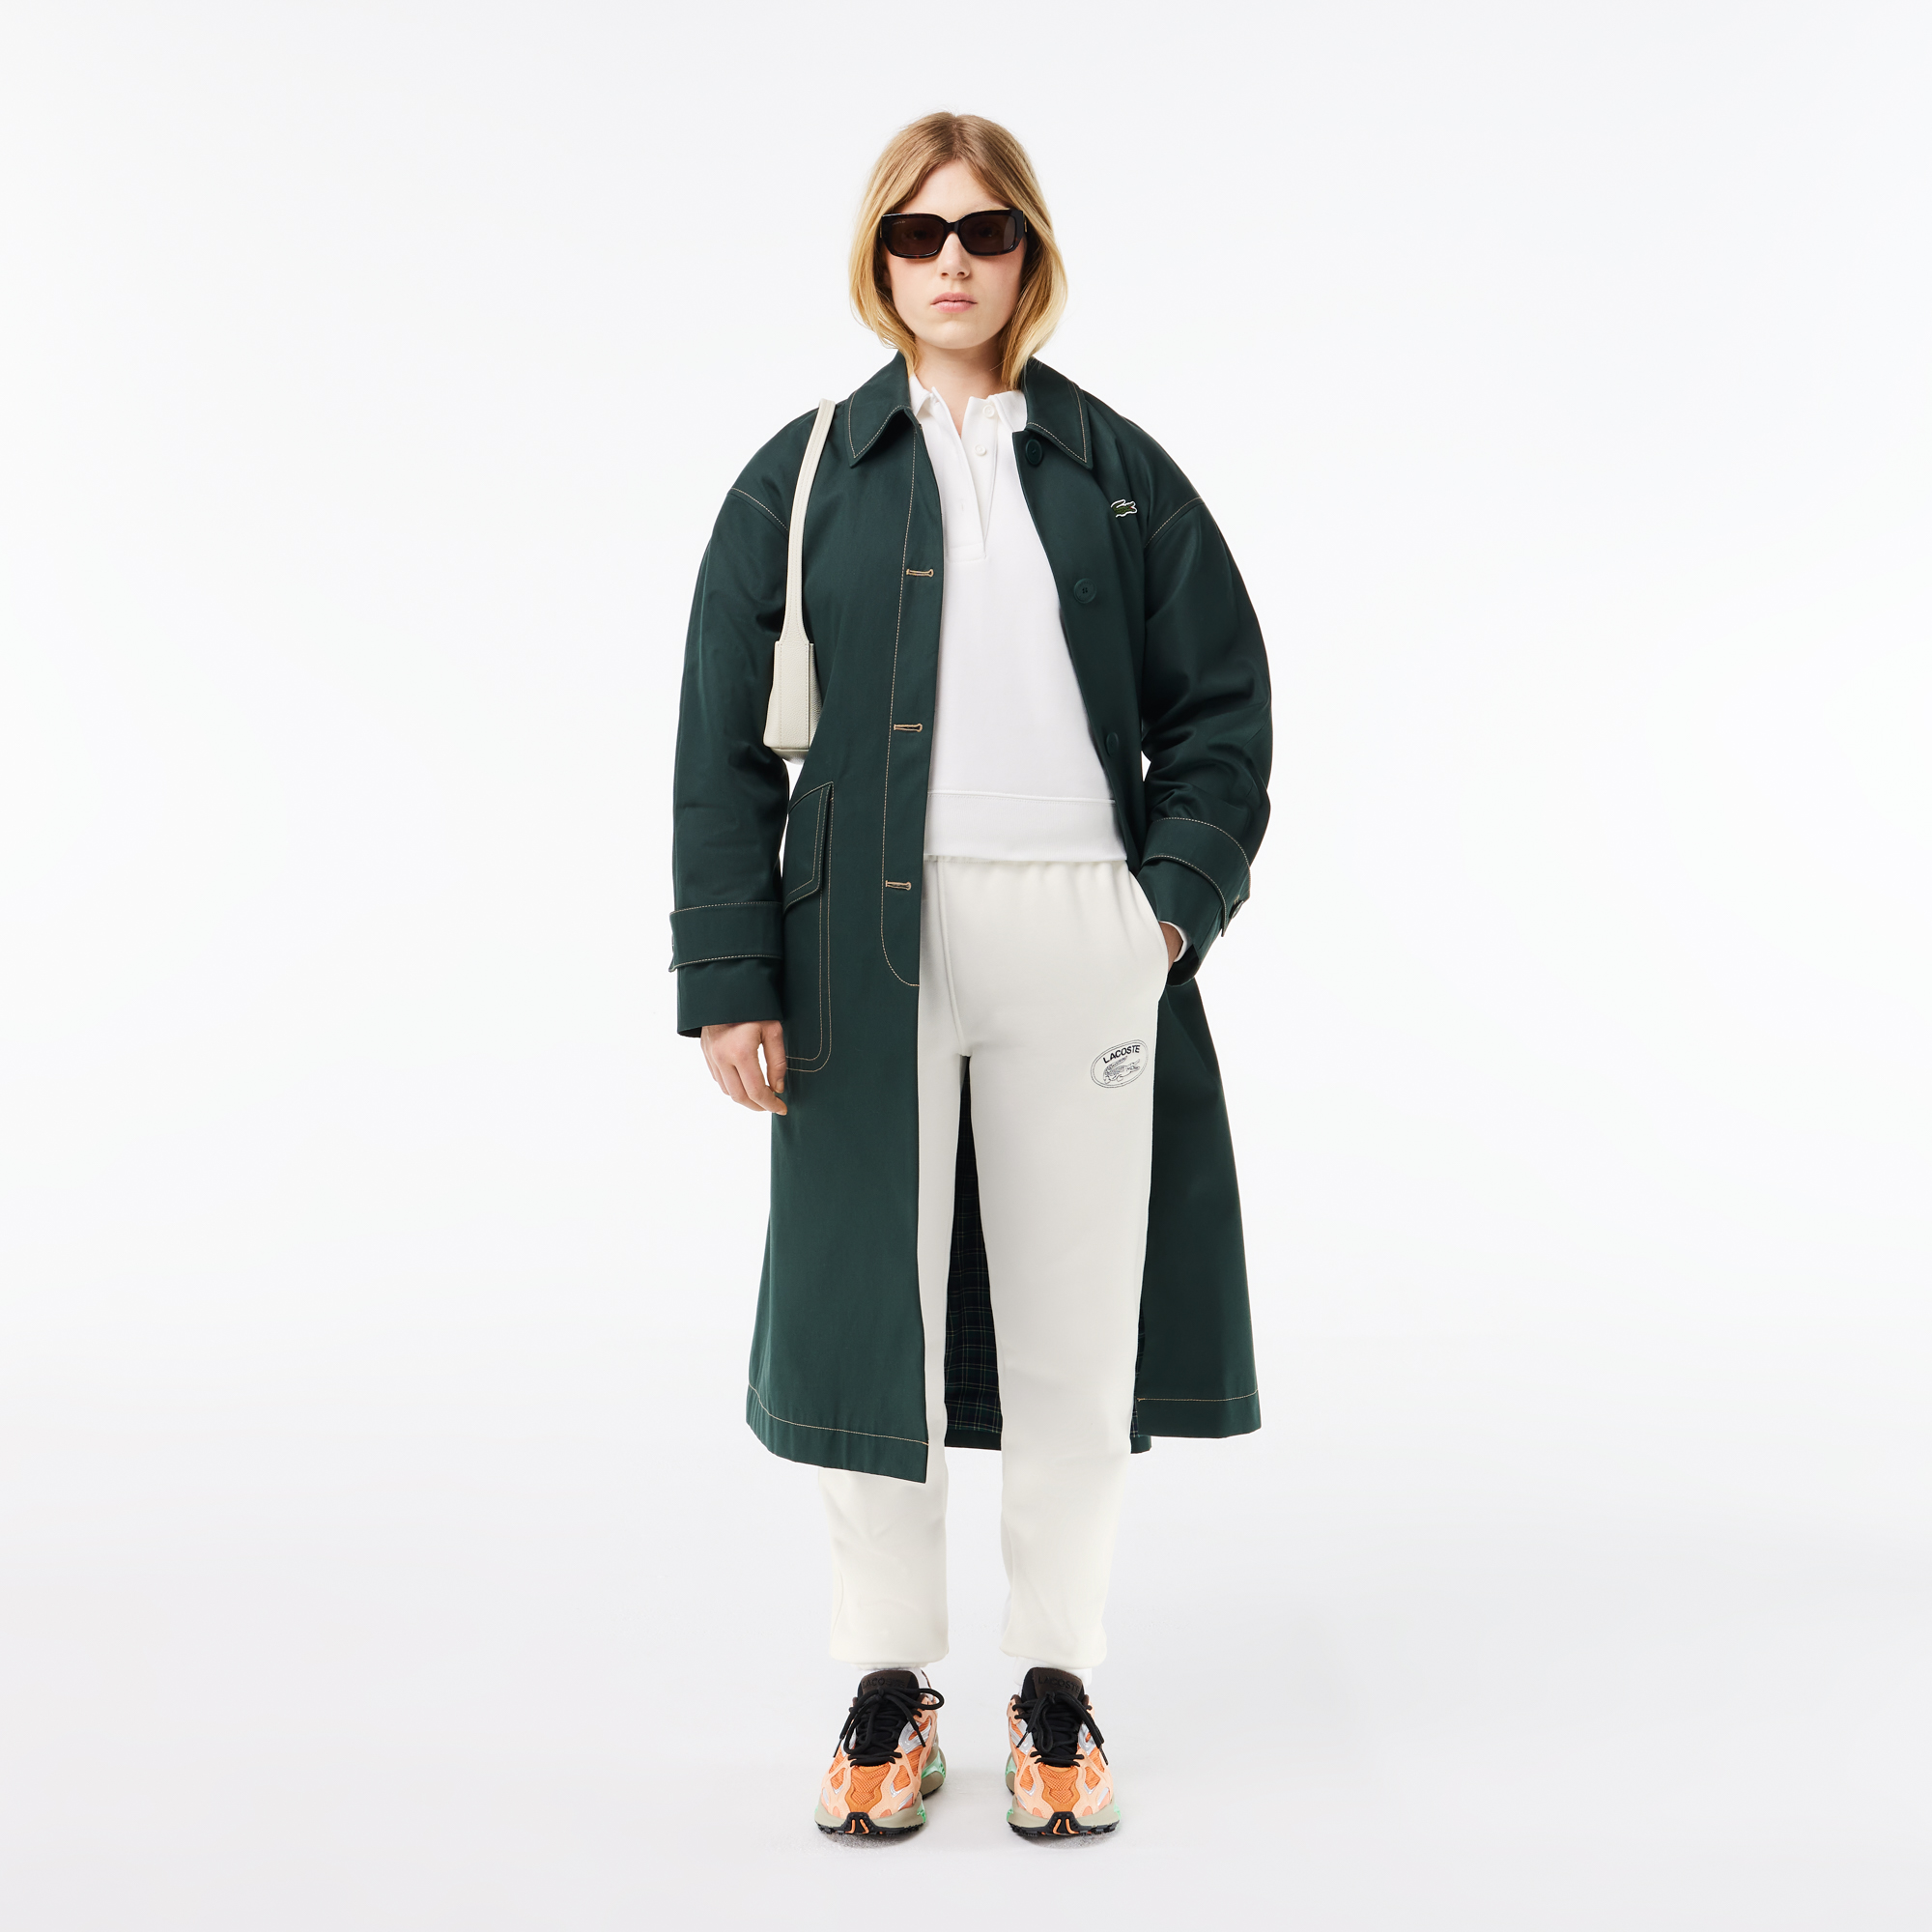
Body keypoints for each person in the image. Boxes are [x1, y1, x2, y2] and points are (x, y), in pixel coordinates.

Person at [670, 112, 1271, 1843]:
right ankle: (890, 1682)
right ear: (880, 255)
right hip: (860, 949)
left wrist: (1163, 917)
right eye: (919, 231)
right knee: (874, 1312)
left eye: (986, 231)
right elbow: (722, 751)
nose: (952, 260)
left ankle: (1058, 1684)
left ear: (1031, 255)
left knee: (1079, 1322)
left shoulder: (1120, 473)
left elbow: (1224, 714)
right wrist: (732, 975)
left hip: (1082, 934)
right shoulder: (799, 480)